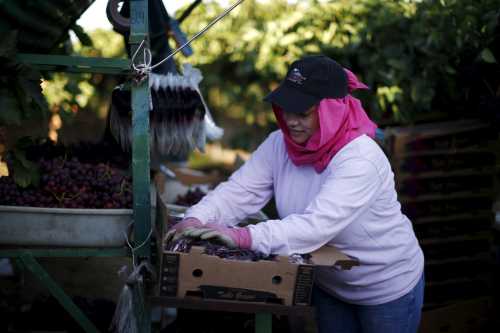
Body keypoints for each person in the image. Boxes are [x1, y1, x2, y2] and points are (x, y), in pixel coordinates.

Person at [166, 55, 425, 333]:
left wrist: (244, 236)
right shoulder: (279, 144)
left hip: (384, 286)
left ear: (331, 112)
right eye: (286, 108)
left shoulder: (360, 159)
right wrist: (196, 218)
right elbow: (239, 191)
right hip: (331, 283)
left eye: (303, 113)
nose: (290, 121)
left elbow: (316, 227)